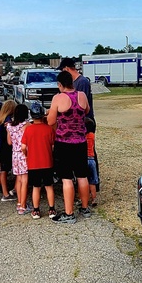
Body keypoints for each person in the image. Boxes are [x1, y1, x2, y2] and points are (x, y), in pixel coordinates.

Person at [47, 70, 91, 223]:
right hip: (80, 142)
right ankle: (85, 208)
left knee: (66, 178)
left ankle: (69, 213)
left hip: (64, 143)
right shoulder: (82, 96)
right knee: (82, 175)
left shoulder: (58, 98)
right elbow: (86, 111)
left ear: (60, 84)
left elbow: (51, 121)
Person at [22, 101, 56, 220]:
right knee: (49, 186)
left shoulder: (28, 130)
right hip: (47, 162)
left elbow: (23, 147)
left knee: (36, 187)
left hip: (33, 163)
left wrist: (27, 154)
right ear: (43, 115)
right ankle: (52, 209)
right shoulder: (49, 129)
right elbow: (52, 145)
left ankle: (36, 210)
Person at [7, 103, 30, 215]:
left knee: (19, 179)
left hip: (14, 154)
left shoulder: (10, 126)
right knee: (25, 180)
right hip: (24, 154)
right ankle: (23, 205)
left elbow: (9, 142)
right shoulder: (27, 125)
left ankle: (19, 203)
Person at [58, 57, 94, 122]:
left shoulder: (82, 82)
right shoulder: (73, 82)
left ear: (66, 68)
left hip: (85, 121)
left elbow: (81, 105)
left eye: (62, 70)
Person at [0, 100, 17, 202]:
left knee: (3, 170)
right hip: (6, 148)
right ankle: (7, 193)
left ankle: (5, 191)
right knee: (7, 169)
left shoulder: (0, 119)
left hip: (0, 147)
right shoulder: (8, 121)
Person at [85, 117, 100, 208]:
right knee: (92, 181)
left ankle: (84, 198)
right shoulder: (92, 136)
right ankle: (94, 198)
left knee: (83, 180)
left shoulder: (82, 136)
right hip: (92, 159)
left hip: (84, 159)